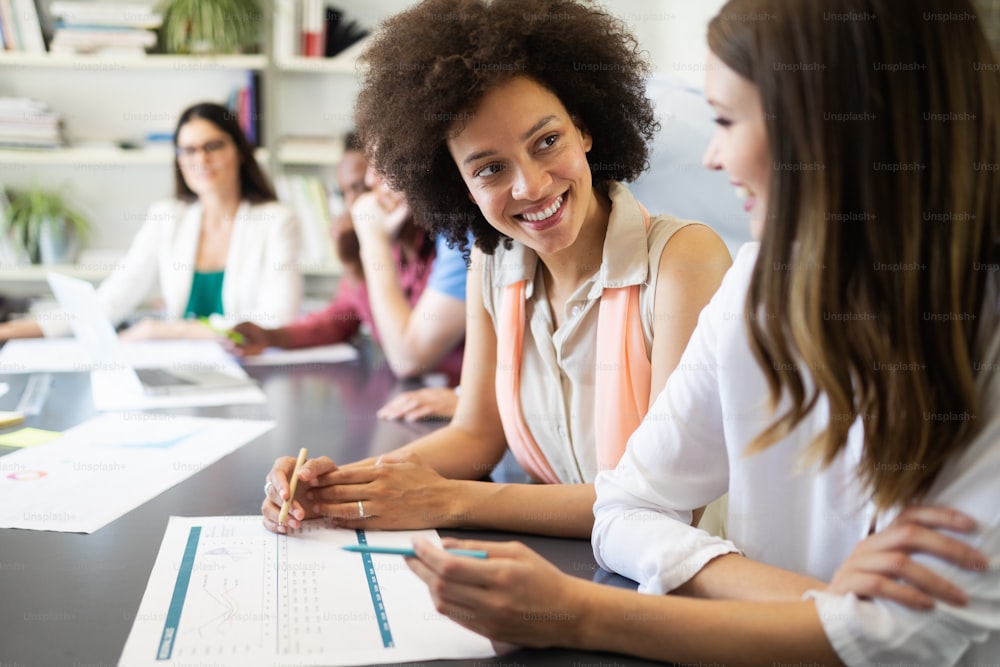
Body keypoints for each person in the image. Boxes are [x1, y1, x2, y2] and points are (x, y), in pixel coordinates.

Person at [401, 0, 1000, 664]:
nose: (713, 157)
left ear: (835, 124)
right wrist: (809, 599)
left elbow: (901, 640)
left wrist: (577, 612)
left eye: (726, 120)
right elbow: (626, 505)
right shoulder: (756, 287)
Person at [260, 0, 732, 538]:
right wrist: (335, 488)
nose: (531, 186)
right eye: (490, 168)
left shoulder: (682, 261)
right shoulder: (493, 262)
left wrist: (452, 502)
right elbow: (476, 435)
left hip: (682, 596)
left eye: (547, 141)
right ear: (459, 186)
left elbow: (666, 505)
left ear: (585, 131)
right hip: (570, 576)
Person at [0, 102, 301, 341]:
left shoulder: (277, 221)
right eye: (188, 150)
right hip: (184, 367)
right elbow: (109, 302)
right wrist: (11, 332)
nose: (201, 160)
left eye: (213, 146)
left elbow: (277, 320)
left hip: (250, 365)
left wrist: (171, 330)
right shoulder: (167, 217)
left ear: (240, 152)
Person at [231, 134, 467, 420]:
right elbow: (340, 318)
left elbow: (401, 347)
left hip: (457, 404)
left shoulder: (448, 244)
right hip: (418, 399)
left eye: (360, 188)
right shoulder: (389, 247)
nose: (355, 203)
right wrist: (271, 336)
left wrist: (368, 248)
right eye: (346, 192)